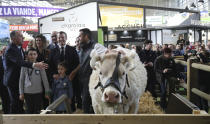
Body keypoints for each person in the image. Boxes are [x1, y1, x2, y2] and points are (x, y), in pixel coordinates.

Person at [4, 31, 48, 114]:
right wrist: (35, 64)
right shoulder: (10, 49)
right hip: (12, 81)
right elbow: (20, 62)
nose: (23, 38)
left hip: (20, 81)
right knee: (15, 104)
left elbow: (23, 60)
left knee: (20, 104)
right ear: (13, 38)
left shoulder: (19, 47)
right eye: (21, 36)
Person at [49, 31, 81, 112]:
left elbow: (77, 64)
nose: (61, 39)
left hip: (70, 80)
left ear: (66, 38)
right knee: (58, 101)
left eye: (62, 37)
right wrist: (53, 74)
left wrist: (72, 74)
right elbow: (50, 65)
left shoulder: (72, 49)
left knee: (71, 101)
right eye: (59, 37)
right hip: (58, 81)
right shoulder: (53, 50)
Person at [78, 28, 107, 113]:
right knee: (86, 102)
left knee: (87, 103)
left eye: (80, 36)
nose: (79, 38)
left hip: (92, 79)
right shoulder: (82, 48)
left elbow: (107, 54)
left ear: (86, 36)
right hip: (82, 80)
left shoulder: (96, 46)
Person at [19, 48, 50, 114]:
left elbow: (45, 79)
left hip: (38, 92)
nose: (32, 56)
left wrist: (47, 92)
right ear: (27, 56)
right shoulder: (24, 66)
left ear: (37, 55)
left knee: (37, 111)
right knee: (29, 111)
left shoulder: (40, 65)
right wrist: (21, 93)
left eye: (34, 54)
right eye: (30, 54)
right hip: (27, 93)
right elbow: (21, 80)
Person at [0, 46, 10, 114]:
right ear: (1, 51)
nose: (5, 51)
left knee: (8, 99)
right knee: (4, 99)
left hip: (8, 83)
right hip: (1, 83)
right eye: (3, 50)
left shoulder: (10, 59)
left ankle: (8, 113)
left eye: (6, 50)